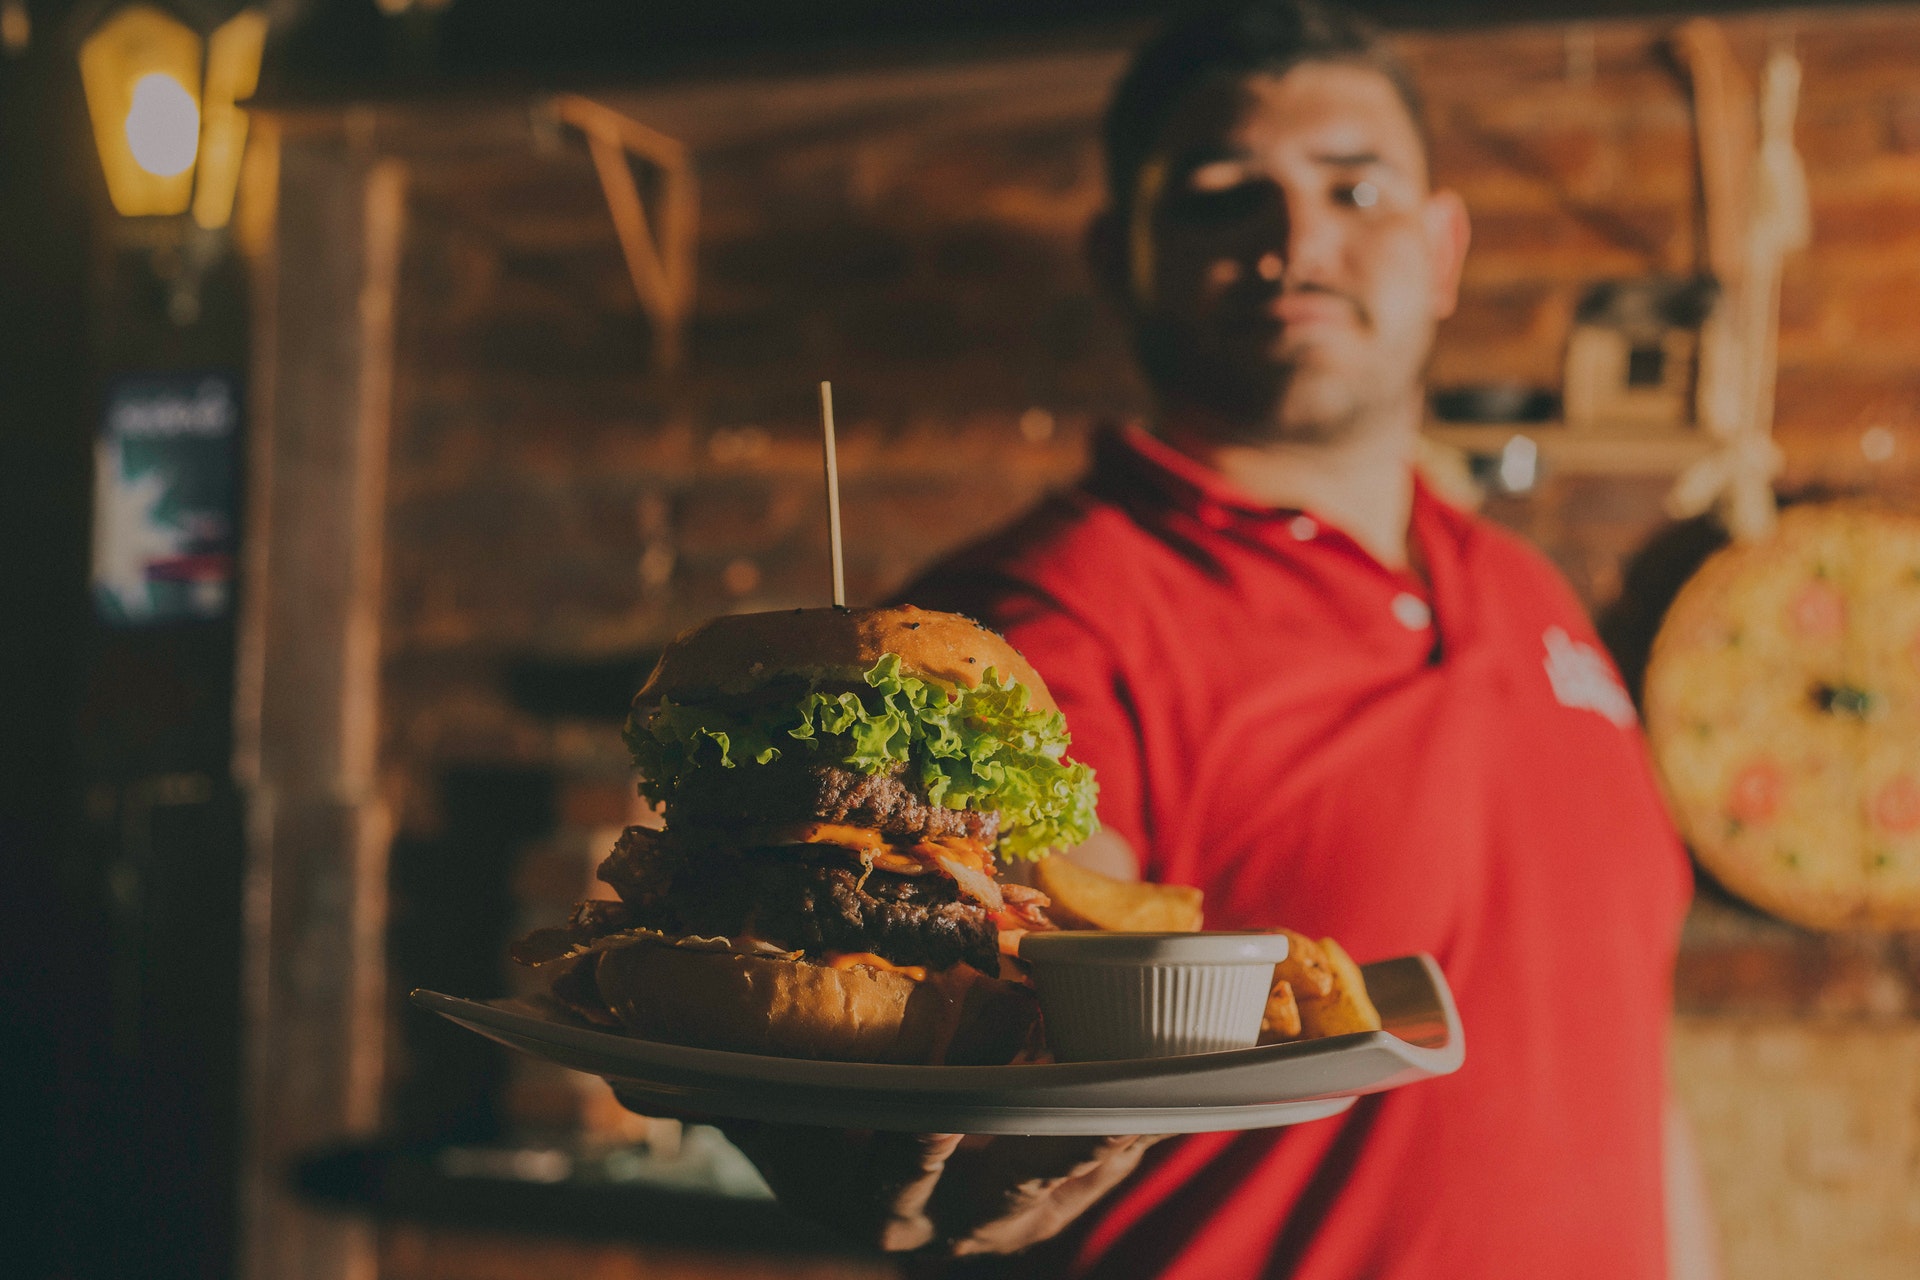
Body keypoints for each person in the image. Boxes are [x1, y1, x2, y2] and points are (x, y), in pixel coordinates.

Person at [627, 4, 1715, 1275]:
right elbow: (988, 996)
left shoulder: (1533, 593)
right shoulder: (1047, 615)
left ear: (1443, 245)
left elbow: (1628, 1059)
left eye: (1355, 187)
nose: (1297, 237)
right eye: (1219, 194)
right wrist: (931, 1157)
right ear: (1118, 257)